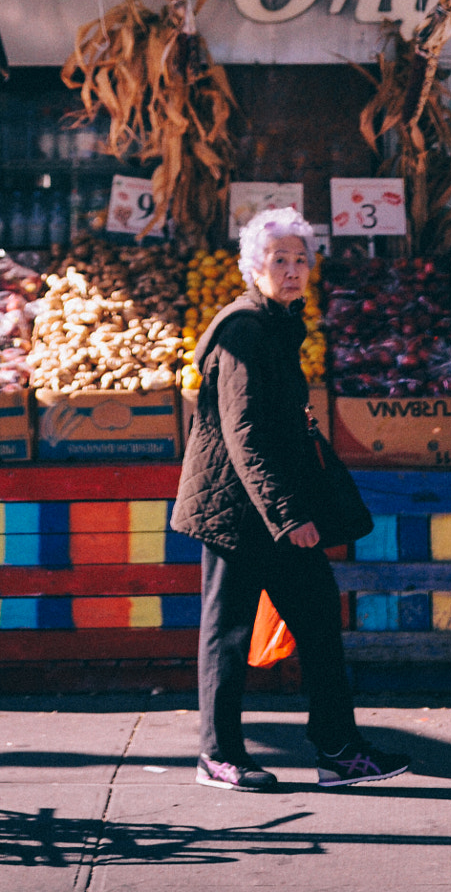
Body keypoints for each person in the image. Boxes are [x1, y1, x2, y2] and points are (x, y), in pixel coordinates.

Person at [172, 205, 409, 791]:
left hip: (273, 507)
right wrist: (289, 515)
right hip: (236, 510)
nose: (293, 269)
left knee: (320, 620)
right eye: (280, 259)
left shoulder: (280, 322)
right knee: (226, 632)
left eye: (301, 259)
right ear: (254, 266)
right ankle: (218, 755)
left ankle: (337, 749)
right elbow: (243, 431)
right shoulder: (246, 329)